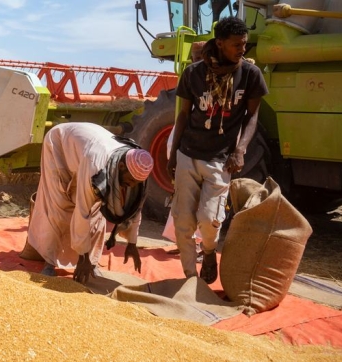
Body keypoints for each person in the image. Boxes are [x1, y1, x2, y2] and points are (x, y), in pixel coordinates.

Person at [167, 16, 268, 284]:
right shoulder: (193, 73)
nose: (242, 50)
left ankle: (209, 252)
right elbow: (183, 116)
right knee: (183, 223)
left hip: (221, 160)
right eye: (237, 45)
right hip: (188, 154)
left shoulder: (250, 74)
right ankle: (190, 281)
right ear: (220, 43)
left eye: (244, 44)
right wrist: (173, 155)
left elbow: (253, 116)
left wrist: (240, 150)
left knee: (209, 220)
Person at [27, 123, 154, 283]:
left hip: (83, 148)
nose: (131, 185)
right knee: (59, 206)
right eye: (129, 181)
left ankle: (93, 263)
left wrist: (132, 242)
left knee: (97, 213)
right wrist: (83, 257)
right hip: (60, 145)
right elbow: (82, 210)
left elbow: (135, 208)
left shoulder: (136, 170)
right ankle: (49, 263)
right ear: (120, 167)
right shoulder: (96, 166)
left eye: (135, 183)